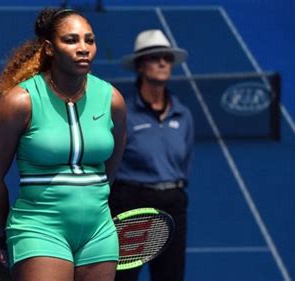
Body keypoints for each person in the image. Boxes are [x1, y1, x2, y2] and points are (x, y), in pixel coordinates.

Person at [0, 7, 126, 281]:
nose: (83, 48)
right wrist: (3, 235)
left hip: (99, 232)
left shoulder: (112, 100)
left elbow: (110, 170)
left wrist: (94, 204)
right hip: (39, 228)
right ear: (49, 48)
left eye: (89, 40)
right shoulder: (20, 102)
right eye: (71, 40)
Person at [108, 29, 194, 281]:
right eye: (155, 57)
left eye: (167, 58)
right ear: (140, 66)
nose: (162, 62)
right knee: (122, 277)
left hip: (174, 205)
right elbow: (110, 162)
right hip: (131, 204)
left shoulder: (183, 114)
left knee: (171, 277)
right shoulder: (124, 114)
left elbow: (185, 162)